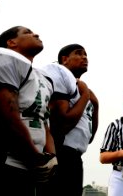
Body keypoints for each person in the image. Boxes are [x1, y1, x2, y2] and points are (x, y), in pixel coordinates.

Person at [0, 26, 58, 196]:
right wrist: (34, 158)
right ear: (11, 42)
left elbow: (44, 120)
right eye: (27, 32)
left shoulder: (45, 78)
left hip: (33, 166)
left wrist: (51, 157)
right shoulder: (3, 60)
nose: (36, 33)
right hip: (3, 162)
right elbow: (6, 115)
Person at [41, 44, 99, 196]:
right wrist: (85, 94)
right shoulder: (59, 77)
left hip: (75, 155)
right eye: (79, 54)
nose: (84, 57)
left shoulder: (82, 89)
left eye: (86, 54)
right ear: (64, 59)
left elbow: (90, 135)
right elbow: (61, 125)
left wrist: (96, 105)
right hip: (60, 152)